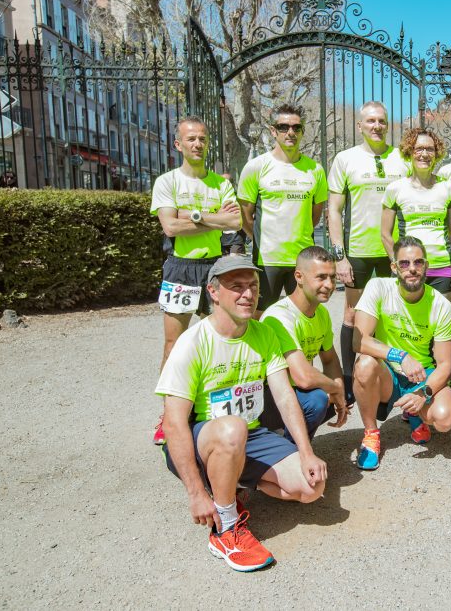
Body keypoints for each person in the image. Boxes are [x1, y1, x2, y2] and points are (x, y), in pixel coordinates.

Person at [155, 254, 326, 572]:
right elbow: (173, 422)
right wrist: (195, 493)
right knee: (232, 427)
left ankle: (234, 482)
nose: (247, 294)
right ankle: (226, 528)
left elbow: (285, 396)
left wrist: (306, 453)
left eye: (253, 286)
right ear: (214, 292)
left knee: (312, 488)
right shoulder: (192, 342)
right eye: (236, 287)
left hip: (250, 435)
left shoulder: (264, 334)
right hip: (202, 442)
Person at [150, 117, 242, 444]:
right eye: (190, 139)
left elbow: (235, 220)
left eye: (202, 138)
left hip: (215, 268)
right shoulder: (167, 182)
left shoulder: (221, 183)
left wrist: (196, 216)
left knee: (219, 341)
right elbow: (170, 228)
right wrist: (215, 220)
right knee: (174, 345)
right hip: (180, 267)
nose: (197, 144)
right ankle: (168, 416)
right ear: (178, 144)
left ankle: (212, 411)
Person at [327, 101, 410, 403]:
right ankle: (351, 381)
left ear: (388, 125)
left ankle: (391, 379)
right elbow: (334, 210)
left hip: (394, 253)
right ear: (360, 125)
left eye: (382, 121)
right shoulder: (345, 159)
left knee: (393, 315)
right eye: (371, 121)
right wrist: (340, 256)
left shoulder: (403, 158)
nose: (377, 126)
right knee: (352, 314)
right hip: (358, 251)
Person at [352, 236, 451, 470]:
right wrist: (400, 356)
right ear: (394, 267)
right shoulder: (378, 287)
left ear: (426, 266)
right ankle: (370, 434)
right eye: (404, 263)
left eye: (418, 263)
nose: (412, 269)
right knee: (365, 364)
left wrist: (423, 393)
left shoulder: (441, 305)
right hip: (388, 372)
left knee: (445, 419)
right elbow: (359, 341)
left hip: (421, 375)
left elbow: (445, 365)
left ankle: (415, 413)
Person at [238, 104, 326, 312]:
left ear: (303, 131)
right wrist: (263, 239)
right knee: (260, 317)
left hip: (302, 259)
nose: (290, 132)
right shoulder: (256, 167)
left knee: (303, 316)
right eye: (283, 127)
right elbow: (245, 217)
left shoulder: (316, 170)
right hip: (267, 258)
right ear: (273, 130)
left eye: (297, 128)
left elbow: (315, 217)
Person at [260, 246, 350, 440]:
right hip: (268, 398)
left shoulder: (321, 312)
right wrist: (335, 388)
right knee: (318, 399)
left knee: (345, 389)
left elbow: (329, 359)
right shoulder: (278, 316)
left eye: (332, 277)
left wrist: (340, 392)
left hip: (294, 391)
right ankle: (285, 448)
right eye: (321, 277)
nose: (329, 285)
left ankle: (296, 444)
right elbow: (303, 377)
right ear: (299, 277)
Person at [381, 127, 451, 317]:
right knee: (408, 321)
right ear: (409, 152)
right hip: (410, 268)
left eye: (430, 149)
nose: (424, 154)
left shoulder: (449, 188)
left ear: (437, 153)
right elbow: (385, 233)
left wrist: (443, 254)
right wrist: (400, 262)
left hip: (441, 268)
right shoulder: (395, 189)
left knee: (440, 321)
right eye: (418, 149)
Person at [219, 172, 246, 256]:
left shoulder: (240, 198)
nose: (226, 184)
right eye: (222, 181)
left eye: (228, 181)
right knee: (224, 266)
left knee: (235, 264)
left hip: (237, 238)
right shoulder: (216, 199)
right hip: (221, 240)